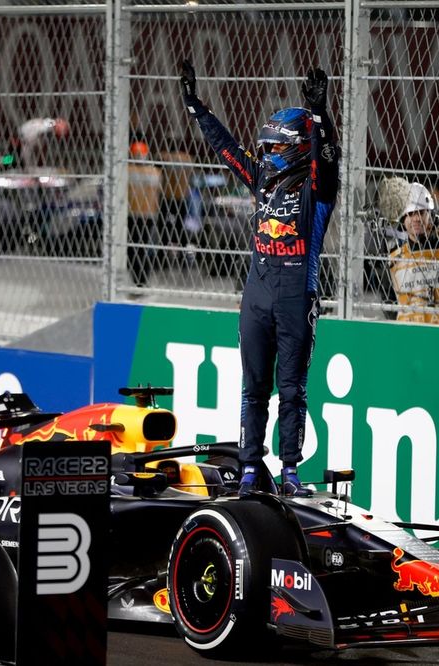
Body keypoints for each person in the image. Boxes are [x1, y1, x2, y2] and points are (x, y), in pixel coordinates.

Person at [179, 59, 340, 497]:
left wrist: (322, 114)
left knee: (291, 391)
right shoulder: (263, 181)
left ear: (295, 148)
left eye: (274, 148)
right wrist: (196, 107)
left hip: (295, 298)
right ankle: (250, 470)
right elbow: (226, 149)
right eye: (266, 148)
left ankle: (290, 472)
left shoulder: (318, 192)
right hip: (255, 296)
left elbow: (328, 161)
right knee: (253, 388)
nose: (267, 155)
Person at [382, 178, 439, 324]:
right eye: (410, 214)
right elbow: (388, 304)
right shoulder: (394, 260)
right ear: (403, 220)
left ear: (432, 216)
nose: (415, 219)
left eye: (421, 213)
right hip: (411, 335)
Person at [126, 139, 162, 287]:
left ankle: (138, 278)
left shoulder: (128, 169)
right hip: (148, 214)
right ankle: (141, 278)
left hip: (133, 213)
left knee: (133, 247)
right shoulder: (155, 172)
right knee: (142, 247)